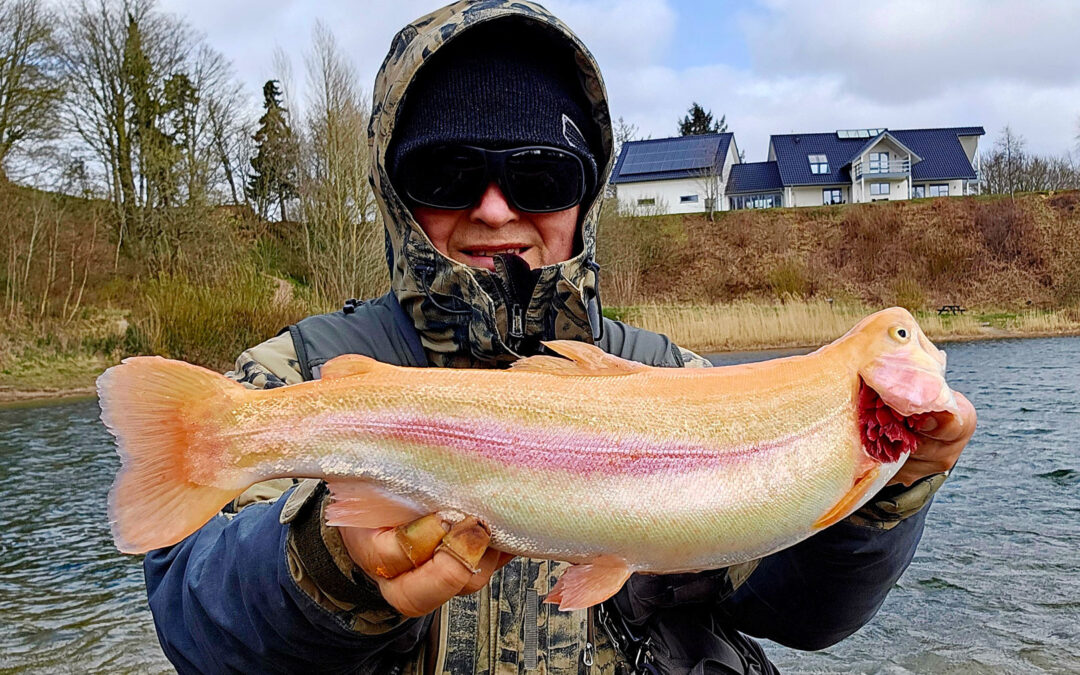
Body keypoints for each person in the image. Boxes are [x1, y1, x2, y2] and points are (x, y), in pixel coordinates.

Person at [143, 2, 976, 673]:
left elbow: (800, 613)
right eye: (447, 174)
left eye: (541, 175)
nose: (496, 209)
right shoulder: (299, 373)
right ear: (395, 194)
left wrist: (884, 494)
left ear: (586, 195)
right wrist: (329, 561)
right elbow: (194, 622)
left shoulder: (675, 379)